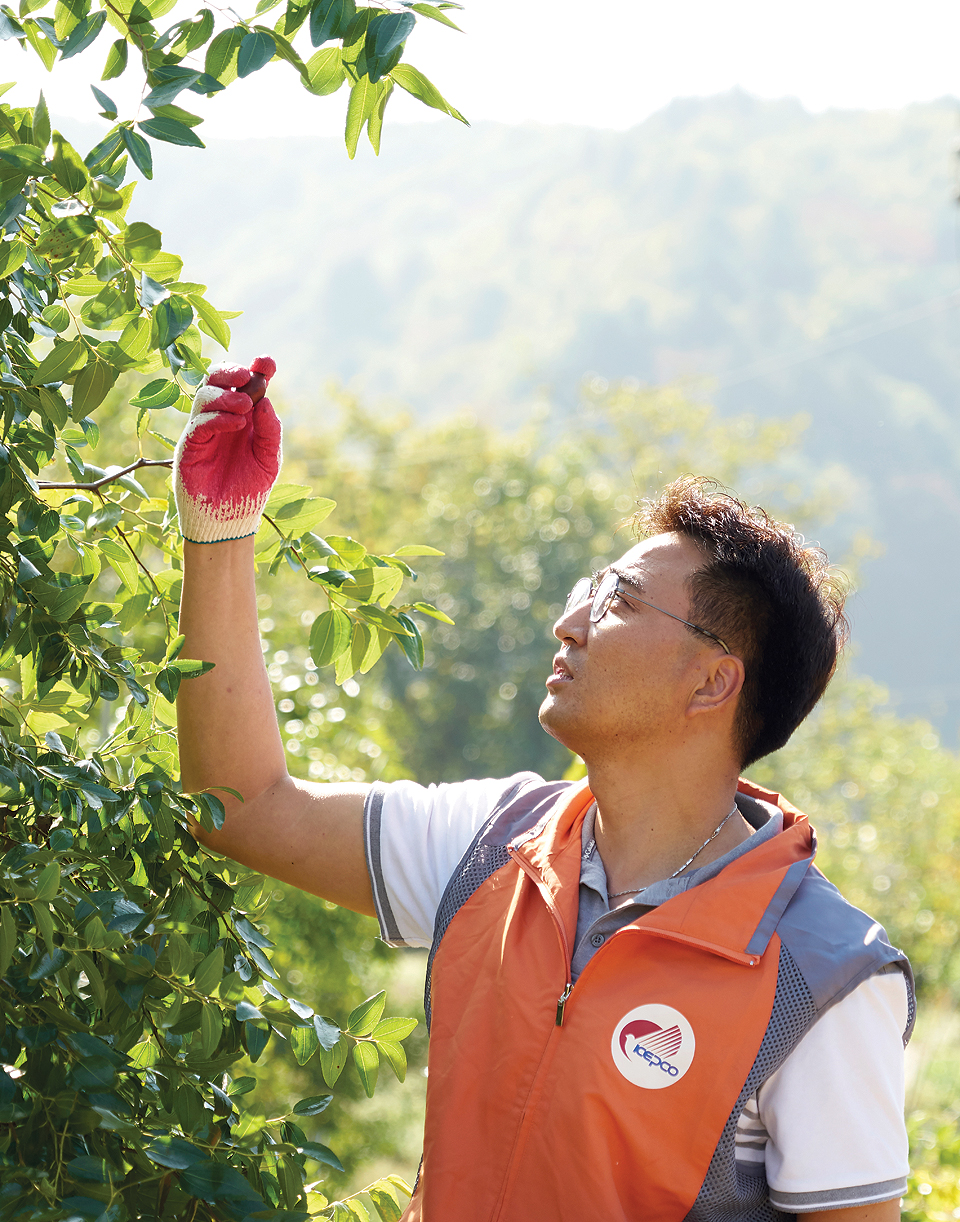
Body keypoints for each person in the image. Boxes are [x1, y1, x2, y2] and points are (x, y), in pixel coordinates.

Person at [175, 357, 913, 1222]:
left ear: (714, 685)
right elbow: (243, 806)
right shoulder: (493, 843)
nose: (569, 622)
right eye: (587, 590)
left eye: (620, 601)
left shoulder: (825, 975)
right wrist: (221, 535)